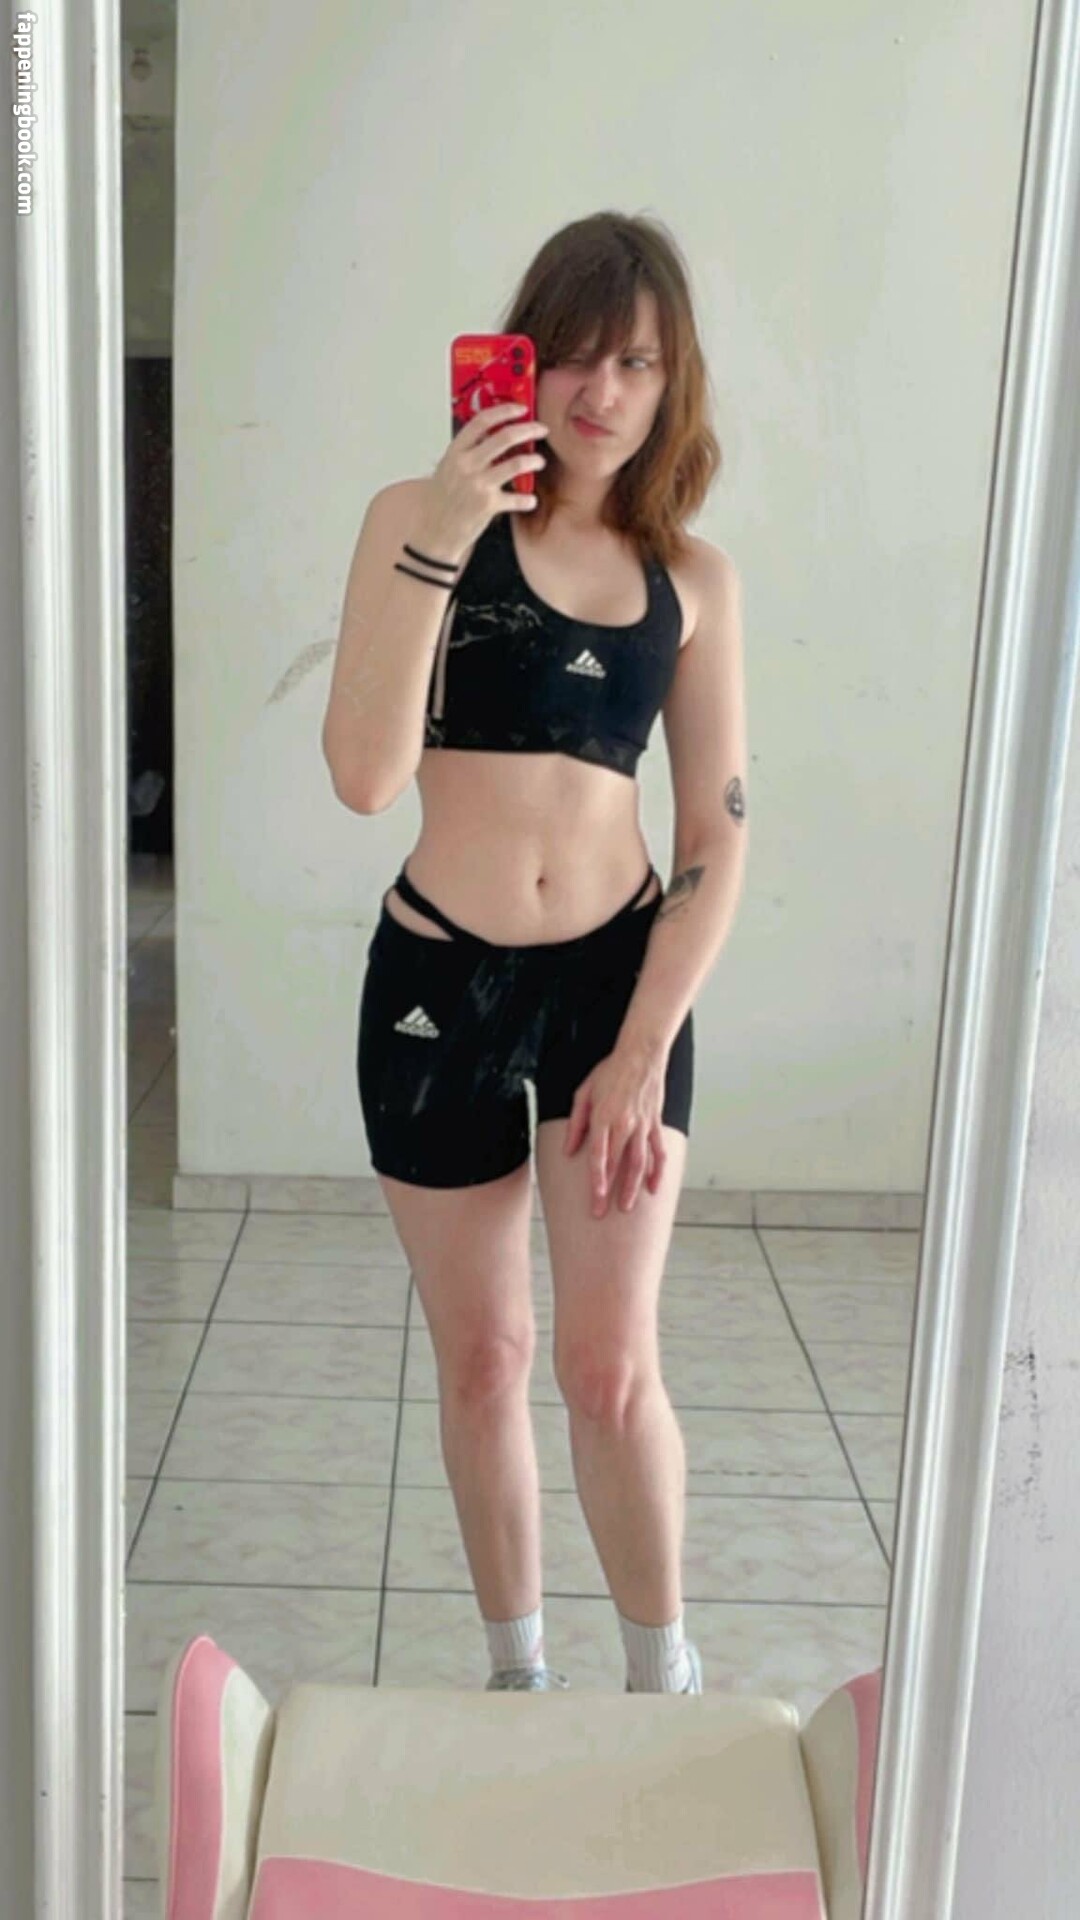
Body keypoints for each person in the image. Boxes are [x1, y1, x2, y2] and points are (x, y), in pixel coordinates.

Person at [322, 211, 748, 1696]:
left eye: (637, 362)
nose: (600, 390)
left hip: (613, 991)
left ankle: (662, 1680)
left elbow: (716, 836)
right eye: (572, 353)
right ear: (521, 356)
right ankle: (520, 1677)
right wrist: (445, 529)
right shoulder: (414, 517)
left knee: (606, 1369)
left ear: (671, 383)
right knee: (486, 1359)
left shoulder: (692, 578)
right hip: (437, 982)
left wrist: (641, 1048)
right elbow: (365, 777)